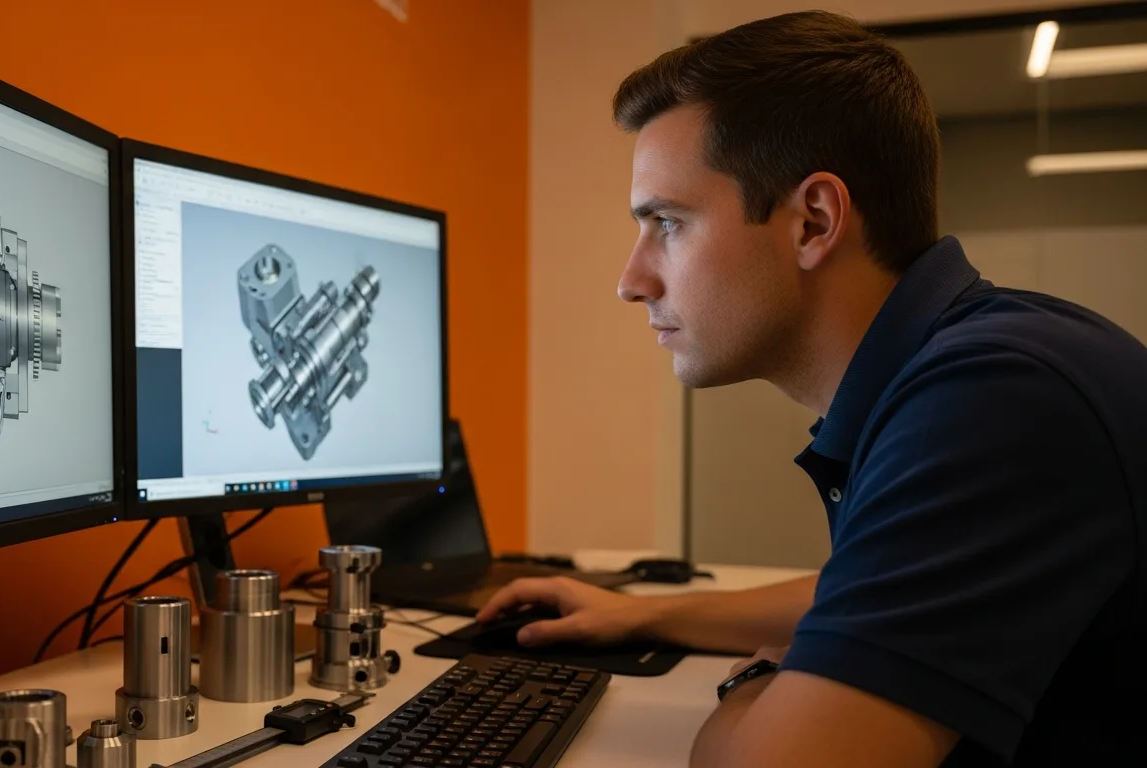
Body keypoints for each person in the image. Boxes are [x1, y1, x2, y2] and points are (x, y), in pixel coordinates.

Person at [478, 10, 1145, 768]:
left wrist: (771, 676)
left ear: (813, 221)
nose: (632, 282)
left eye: (666, 222)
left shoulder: (993, 401)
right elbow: (868, 589)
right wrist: (641, 616)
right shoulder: (973, 362)